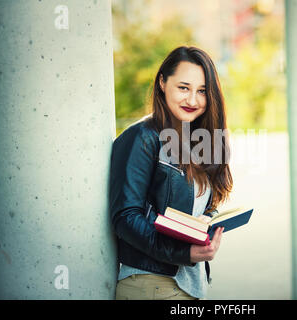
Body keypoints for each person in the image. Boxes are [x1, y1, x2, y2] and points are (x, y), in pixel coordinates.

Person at [109, 46, 233, 300]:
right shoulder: (142, 137)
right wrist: (182, 253)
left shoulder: (198, 141)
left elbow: (201, 207)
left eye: (201, 91)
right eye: (183, 88)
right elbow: (125, 217)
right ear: (163, 83)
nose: (192, 100)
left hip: (189, 285)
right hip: (150, 284)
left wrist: (208, 225)